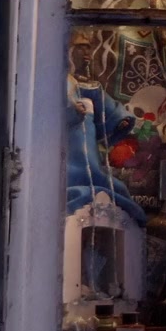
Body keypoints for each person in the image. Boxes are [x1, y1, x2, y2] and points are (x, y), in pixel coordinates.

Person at [65, 32, 146, 225]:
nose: (87, 52)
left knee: (112, 184)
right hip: (70, 145)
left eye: (88, 47)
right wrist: (72, 110)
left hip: (88, 142)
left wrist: (118, 120)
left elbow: (104, 105)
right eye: (81, 46)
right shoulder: (63, 82)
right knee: (78, 172)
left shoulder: (88, 84)